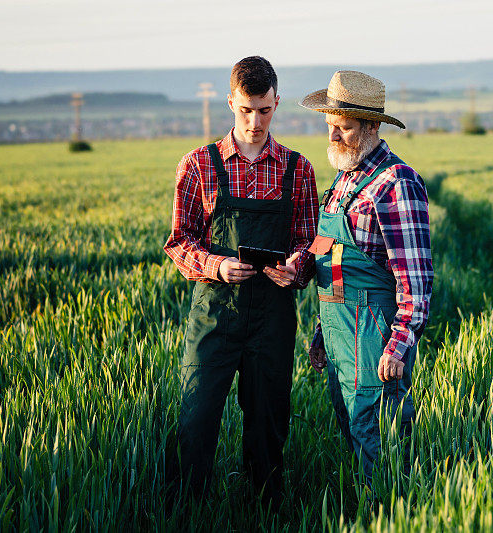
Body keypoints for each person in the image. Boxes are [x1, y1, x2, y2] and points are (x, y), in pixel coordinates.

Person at [163, 56, 318, 505]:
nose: (254, 121)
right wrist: (215, 266)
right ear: (230, 101)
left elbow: (311, 240)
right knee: (196, 418)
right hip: (214, 315)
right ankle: (185, 513)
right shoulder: (197, 164)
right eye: (246, 109)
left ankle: (266, 511)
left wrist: (297, 267)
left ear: (277, 104)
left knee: (268, 424)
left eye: (265, 110)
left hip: (272, 318)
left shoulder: (298, 169)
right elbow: (179, 241)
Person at [301, 71, 433, 482]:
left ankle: (398, 515)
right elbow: (333, 257)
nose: (334, 138)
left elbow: (416, 281)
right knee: (353, 430)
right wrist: (323, 334)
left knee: (380, 441)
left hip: (376, 337)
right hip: (341, 334)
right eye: (330, 128)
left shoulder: (397, 183)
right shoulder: (345, 179)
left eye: (345, 128)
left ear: (373, 126)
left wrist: (396, 348)